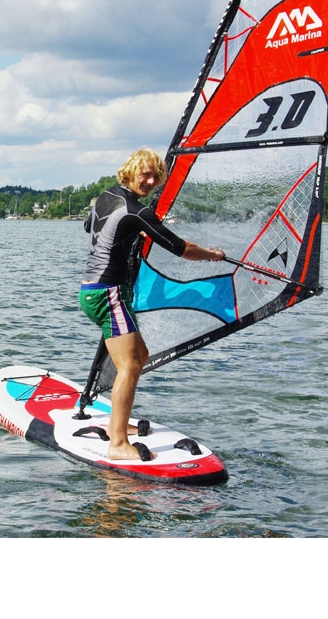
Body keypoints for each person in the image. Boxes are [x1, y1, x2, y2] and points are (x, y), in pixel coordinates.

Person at [79, 147, 225, 461]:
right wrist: (212, 255)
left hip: (92, 290)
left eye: (155, 177)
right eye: (145, 174)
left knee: (139, 357)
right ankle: (118, 444)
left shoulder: (105, 197)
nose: (150, 182)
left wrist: (131, 235)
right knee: (129, 366)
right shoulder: (137, 212)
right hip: (108, 293)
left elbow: (91, 227)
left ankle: (117, 423)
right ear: (131, 170)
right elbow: (180, 248)